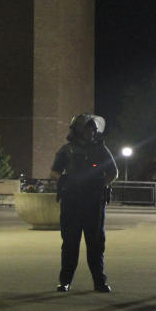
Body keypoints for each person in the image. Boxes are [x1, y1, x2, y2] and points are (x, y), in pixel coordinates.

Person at [52, 113, 118, 293]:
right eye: (89, 128)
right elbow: (55, 171)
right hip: (72, 200)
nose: (92, 132)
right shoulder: (67, 150)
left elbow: (113, 172)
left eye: (94, 129)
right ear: (79, 130)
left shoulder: (101, 150)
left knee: (95, 244)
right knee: (70, 243)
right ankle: (65, 281)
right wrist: (64, 180)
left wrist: (100, 184)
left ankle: (99, 281)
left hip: (93, 201)